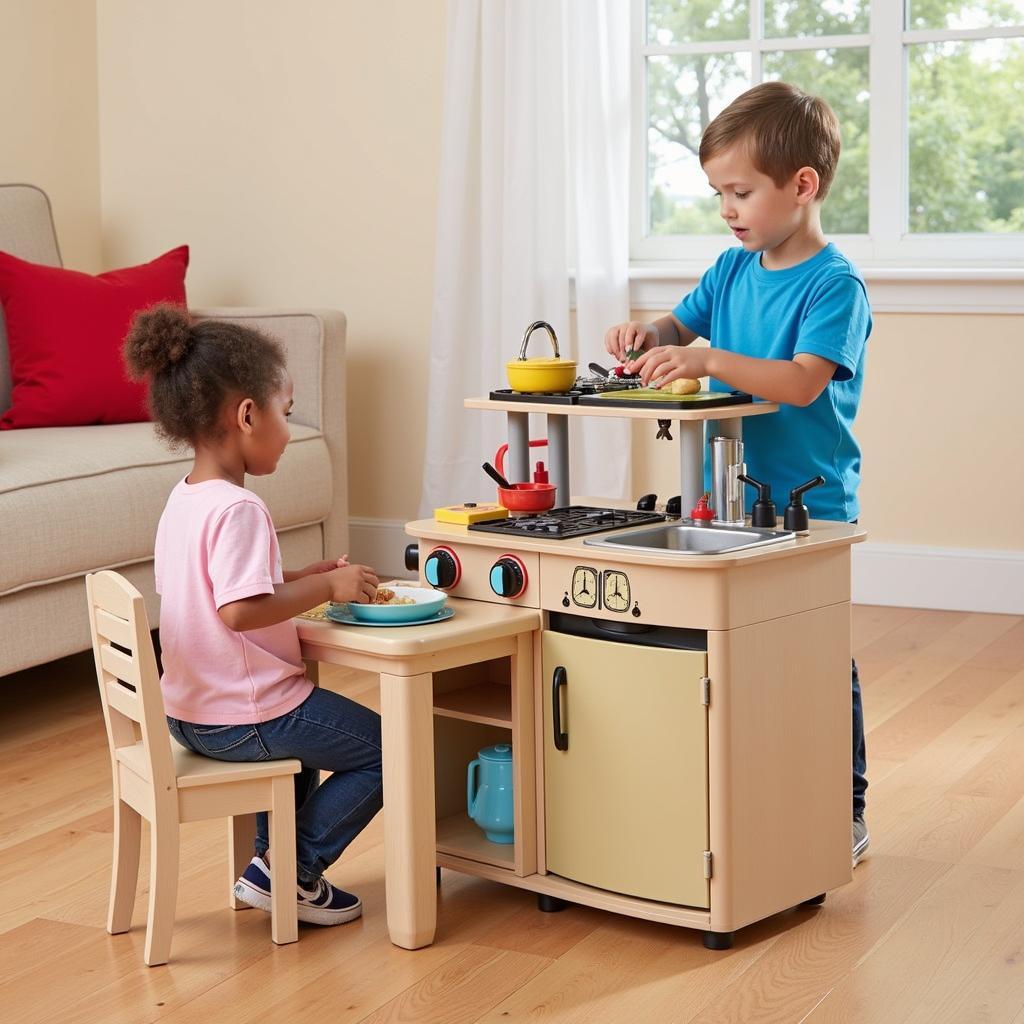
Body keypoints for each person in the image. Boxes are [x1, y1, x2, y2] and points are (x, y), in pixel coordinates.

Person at [605, 81, 871, 867]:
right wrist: (643, 329)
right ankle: (744, 793)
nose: (727, 208)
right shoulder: (730, 268)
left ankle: (843, 804)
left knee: (818, 655)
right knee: (729, 653)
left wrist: (708, 358)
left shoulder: (834, 285)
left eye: (741, 191)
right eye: (719, 192)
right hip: (722, 500)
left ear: (802, 186)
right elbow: (677, 326)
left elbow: (799, 382)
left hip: (807, 504)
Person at [124, 304, 383, 924]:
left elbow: (208, 588)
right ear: (247, 415)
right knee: (386, 748)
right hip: (241, 712)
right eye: (285, 414)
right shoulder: (240, 509)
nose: (289, 431)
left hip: (189, 710)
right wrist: (333, 590)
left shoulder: (185, 498)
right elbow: (239, 611)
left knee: (305, 738)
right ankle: (289, 870)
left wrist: (300, 577)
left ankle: (277, 873)